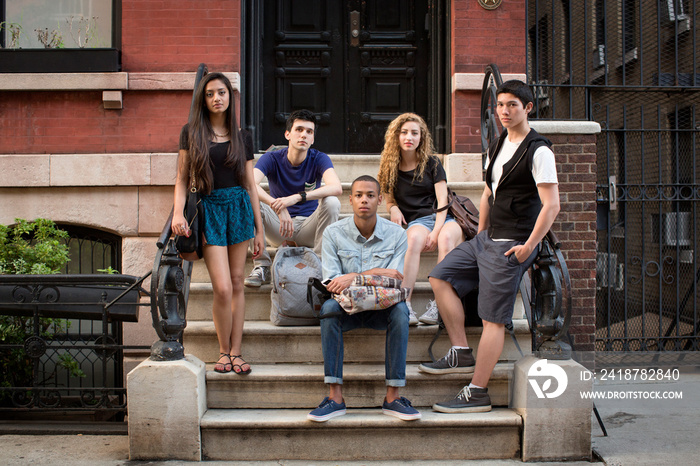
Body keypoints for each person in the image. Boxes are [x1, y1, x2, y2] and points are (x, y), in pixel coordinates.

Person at [420, 80, 560, 413]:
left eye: (512, 105)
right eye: (500, 105)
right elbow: (487, 194)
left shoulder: (538, 150)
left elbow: (552, 205)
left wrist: (528, 247)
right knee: (439, 277)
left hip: (514, 243)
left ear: (528, 108)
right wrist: (480, 234)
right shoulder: (497, 145)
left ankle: (478, 391)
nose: (504, 111)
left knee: (492, 320)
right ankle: (460, 350)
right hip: (488, 238)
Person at [307, 175, 421, 422]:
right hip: (346, 309)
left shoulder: (397, 235)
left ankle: (393, 397)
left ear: (380, 200)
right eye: (358, 195)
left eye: (370, 195)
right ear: (350, 200)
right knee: (327, 309)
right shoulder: (333, 233)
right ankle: (335, 398)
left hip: (382, 310)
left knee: (401, 311)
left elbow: (393, 283)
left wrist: (355, 277)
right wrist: (374, 275)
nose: (364, 200)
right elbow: (332, 282)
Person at [172, 72, 264, 375]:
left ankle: (236, 352)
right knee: (222, 287)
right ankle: (222, 350)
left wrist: (260, 230)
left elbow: (250, 185)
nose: (216, 98)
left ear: (229, 97)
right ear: (204, 99)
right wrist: (177, 214)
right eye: (210, 93)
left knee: (238, 283)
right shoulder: (191, 132)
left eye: (221, 92)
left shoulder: (243, 137)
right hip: (209, 209)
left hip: (238, 208)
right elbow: (181, 179)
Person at [377, 113, 464, 326]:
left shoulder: (432, 163)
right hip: (416, 222)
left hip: (443, 218)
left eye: (415, 133)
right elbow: (388, 200)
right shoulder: (389, 167)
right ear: (396, 136)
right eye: (404, 132)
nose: (409, 137)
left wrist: (435, 231)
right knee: (412, 240)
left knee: (444, 241)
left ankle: (439, 303)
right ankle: (405, 302)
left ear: (421, 137)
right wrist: (394, 208)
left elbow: (443, 201)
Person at [244, 109, 342, 287]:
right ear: (287, 134)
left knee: (332, 201)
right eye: (299, 129)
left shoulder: (319, 158)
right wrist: (278, 206)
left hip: (308, 227)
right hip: (280, 227)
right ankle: (261, 265)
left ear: (313, 139)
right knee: (247, 200)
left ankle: (318, 263)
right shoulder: (272, 158)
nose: (304, 135)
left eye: (309, 132)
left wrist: (297, 197)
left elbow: (336, 187)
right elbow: (249, 183)